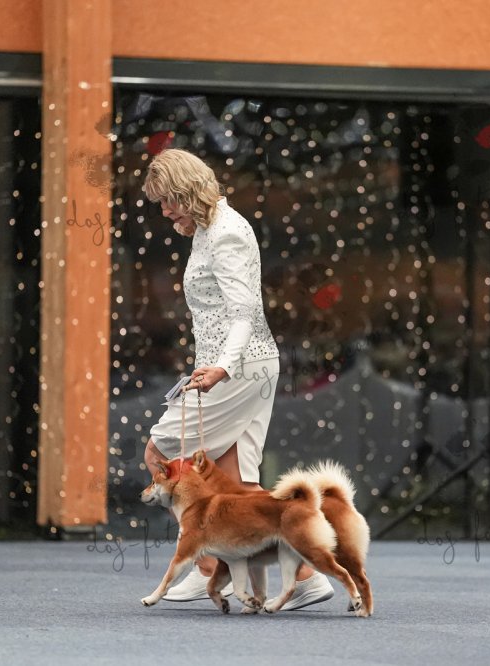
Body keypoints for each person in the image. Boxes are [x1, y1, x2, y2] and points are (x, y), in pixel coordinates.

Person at [141, 148, 333, 609]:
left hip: (238, 370)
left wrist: (223, 366)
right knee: (237, 485)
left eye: (168, 200)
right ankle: (306, 575)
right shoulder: (209, 229)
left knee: (161, 452)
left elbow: (244, 312)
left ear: (187, 191)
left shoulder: (225, 232)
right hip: (243, 366)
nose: (164, 211)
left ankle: (208, 565)